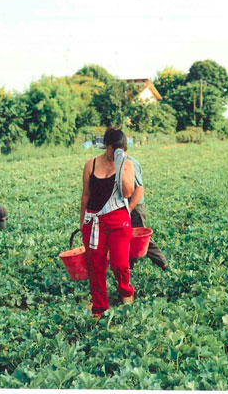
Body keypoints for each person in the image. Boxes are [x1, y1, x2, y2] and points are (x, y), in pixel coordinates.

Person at [80, 128, 136, 319]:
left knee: (119, 264)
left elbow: (128, 192)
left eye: (122, 149)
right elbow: (86, 194)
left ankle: (125, 291)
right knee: (96, 266)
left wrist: (120, 165)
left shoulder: (127, 164)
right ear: (108, 146)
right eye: (116, 149)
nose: (118, 152)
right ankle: (99, 307)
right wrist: (82, 222)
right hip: (94, 221)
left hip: (118, 220)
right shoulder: (91, 164)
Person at [127, 157, 167, 271]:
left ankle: (163, 263)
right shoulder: (120, 162)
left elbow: (139, 189)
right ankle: (129, 267)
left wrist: (129, 209)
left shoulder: (130, 163)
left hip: (134, 206)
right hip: (128, 206)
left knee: (141, 238)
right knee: (128, 237)